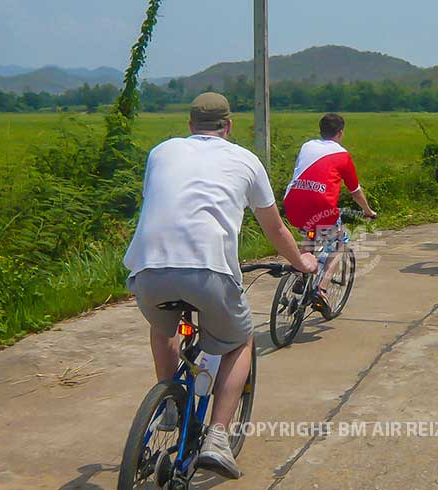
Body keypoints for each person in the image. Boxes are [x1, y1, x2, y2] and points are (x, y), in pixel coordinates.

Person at [123, 92, 318, 479]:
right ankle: (217, 437)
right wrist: (302, 262)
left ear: (190, 125)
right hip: (208, 271)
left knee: (164, 326)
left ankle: (169, 403)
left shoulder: (161, 152)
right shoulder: (245, 159)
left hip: (147, 271)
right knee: (239, 341)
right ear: (228, 126)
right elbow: (275, 228)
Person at [282, 113, 376, 313]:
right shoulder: (343, 155)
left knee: (310, 236)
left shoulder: (306, 146)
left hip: (293, 203)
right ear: (340, 133)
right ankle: (321, 289)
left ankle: (301, 274)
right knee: (341, 242)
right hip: (322, 207)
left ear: (320, 130)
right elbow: (355, 192)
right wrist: (367, 211)